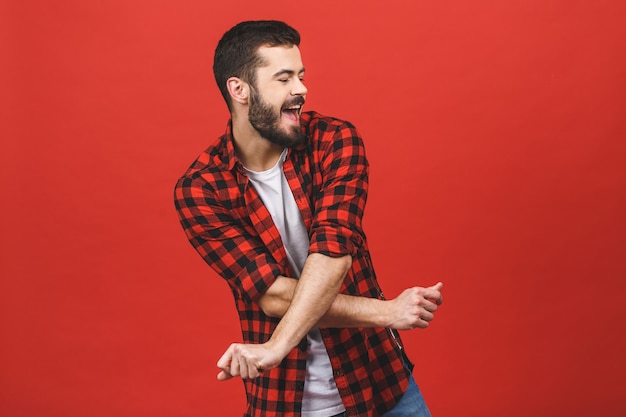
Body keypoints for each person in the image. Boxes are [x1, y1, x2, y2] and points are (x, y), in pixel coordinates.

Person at [174, 20, 444, 417]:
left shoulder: (335, 141)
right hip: (287, 403)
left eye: (301, 76)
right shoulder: (201, 190)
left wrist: (273, 348)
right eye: (284, 78)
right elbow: (272, 295)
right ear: (239, 90)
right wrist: (386, 312)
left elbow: (332, 253)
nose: (301, 89)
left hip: (381, 386)